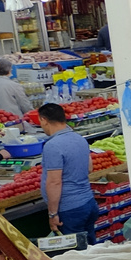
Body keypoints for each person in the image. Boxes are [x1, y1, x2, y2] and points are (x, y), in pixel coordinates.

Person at [37, 102, 95, 240]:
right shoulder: (80, 139)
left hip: (69, 210)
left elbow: (54, 182)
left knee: (75, 255)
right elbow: (89, 168)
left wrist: (52, 214)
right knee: (92, 251)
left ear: (44, 120)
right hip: (89, 203)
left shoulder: (53, 146)